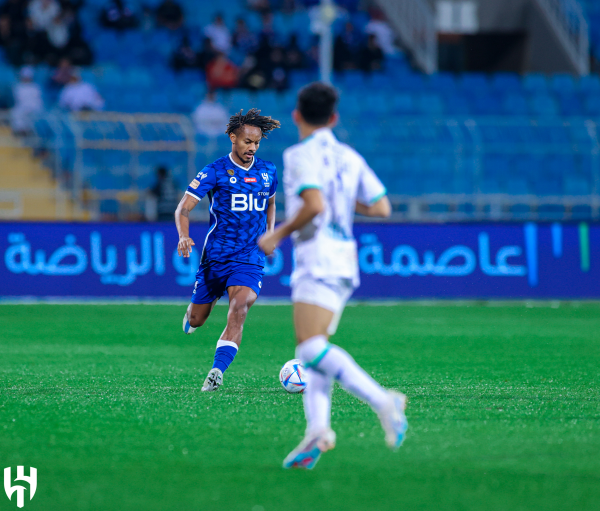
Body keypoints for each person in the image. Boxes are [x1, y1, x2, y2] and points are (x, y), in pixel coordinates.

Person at [258, 82, 407, 469]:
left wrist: (277, 233)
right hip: (344, 259)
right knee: (314, 346)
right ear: (334, 117)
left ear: (296, 115)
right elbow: (381, 207)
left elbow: (313, 204)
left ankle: (382, 401)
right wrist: (341, 199)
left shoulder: (298, 154)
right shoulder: (349, 156)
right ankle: (318, 431)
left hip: (317, 257)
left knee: (309, 348)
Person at [174, 108, 281, 391]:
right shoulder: (215, 171)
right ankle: (193, 312)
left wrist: (270, 233)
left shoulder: (268, 171)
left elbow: (270, 203)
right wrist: (183, 236)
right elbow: (183, 208)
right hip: (215, 258)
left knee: (240, 305)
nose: (252, 147)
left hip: (249, 257)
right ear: (233, 137)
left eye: (257, 143)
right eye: (247, 141)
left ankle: (216, 372)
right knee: (198, 319)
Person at [11, 65, 43, 135]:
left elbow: (39, 102)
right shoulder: (18, 87)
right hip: (22, 109)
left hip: (34, 110)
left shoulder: (36, 87)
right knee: (16, 114)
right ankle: (21, 132)